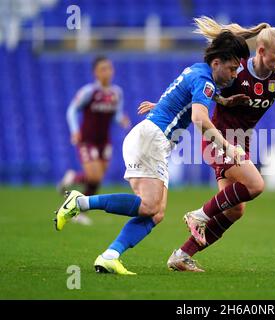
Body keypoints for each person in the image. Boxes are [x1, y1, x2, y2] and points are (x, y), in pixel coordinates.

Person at [138, 17, 275, 272]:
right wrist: (166, 105)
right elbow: (200, 88)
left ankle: (182, 255)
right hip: (218, 138)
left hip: (242, 142)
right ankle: (198, 214)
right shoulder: (236, 69)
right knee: (255, 185)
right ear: (262, 51)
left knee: (235, 211)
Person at [53, 31, 251, 275]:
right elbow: (200, 119)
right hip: (152, 139)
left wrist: (221, 101)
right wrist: (228, 147)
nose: (234, 75)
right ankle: (79, 202)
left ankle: (109, 256)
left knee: (155, 214)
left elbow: (182, 99)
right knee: (149, 206)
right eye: (232, 69)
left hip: (154, 139)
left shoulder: (197, 71)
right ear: (216, 63)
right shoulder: (206, 81)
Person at [58, 56, 130, 225]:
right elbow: (72, 110)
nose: (107, 72)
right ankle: (73, 181)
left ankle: (79, 210)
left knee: (96, 179)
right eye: (103, 69)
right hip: (87, 140)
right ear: (96, 72)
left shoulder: (116, 93)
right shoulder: (89, 92)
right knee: (94, 176)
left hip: (104, 141)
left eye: (109, 68)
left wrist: (121, 119)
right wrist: (75, 131)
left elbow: (116, 114)